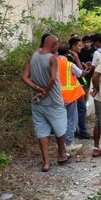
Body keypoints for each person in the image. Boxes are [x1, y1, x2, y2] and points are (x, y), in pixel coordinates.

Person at [22, 34, 71, 172]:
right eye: (57, 45)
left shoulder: (34, 56)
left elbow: (24, 77)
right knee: (60, 128)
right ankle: (61, 155)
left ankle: (46, 163)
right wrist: (45, 92)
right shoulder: (52, 58)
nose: (58, 47)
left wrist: (37, 90)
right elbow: (53, 79)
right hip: (53, 100)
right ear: (53, 45)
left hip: (37, 102)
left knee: (41, 131)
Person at [57, 42, 88, 152]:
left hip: (56, 96)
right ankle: (68, 143)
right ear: (68, 52)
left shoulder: (52, 62)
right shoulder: (70, 65)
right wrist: (78, 59)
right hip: (70, 96)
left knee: (59, 120)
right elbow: (81, 74)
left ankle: (60, 144)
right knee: (71, 119)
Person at [76, 36, 96, 139]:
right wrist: (84, 65)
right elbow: (79, 69)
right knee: (81, 105)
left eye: (88, 42)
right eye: (84, 43)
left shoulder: (95, 51)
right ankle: (80, 130)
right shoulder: (78, 54)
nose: (86, 44)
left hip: (92, 77)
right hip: (83, 79)